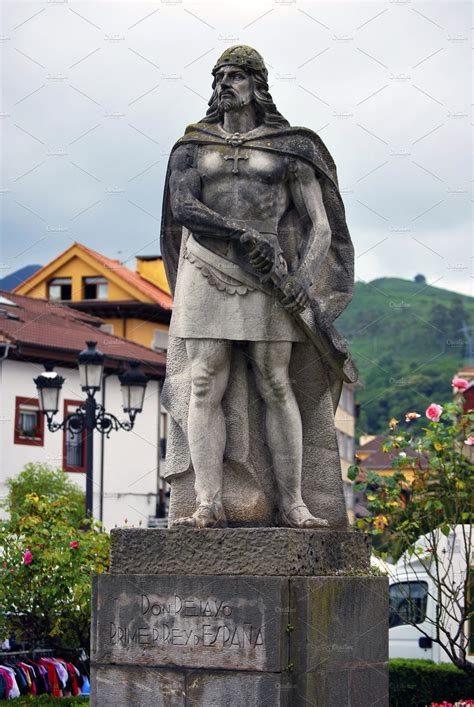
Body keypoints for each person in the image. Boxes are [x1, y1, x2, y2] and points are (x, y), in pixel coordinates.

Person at [161, 45, 357, 529]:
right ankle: (208, 502)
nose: (225, 83)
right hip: (206, 265)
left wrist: (301, 281)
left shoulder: (289, 148)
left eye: (236, 76)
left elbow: (321, 228)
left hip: (270, 277)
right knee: (205, 380)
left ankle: (293, 502)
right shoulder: (192, 146)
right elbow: (183, 209)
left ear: (257, 85)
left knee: (275, 381)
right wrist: (241, 234)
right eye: (219, 76)